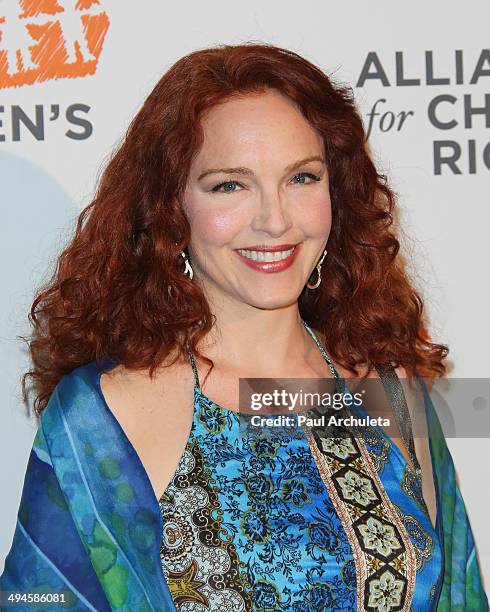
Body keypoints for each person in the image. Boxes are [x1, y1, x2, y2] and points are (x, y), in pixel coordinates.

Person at [0, 43, 488, 612]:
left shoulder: (389, 388)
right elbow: (38, 599)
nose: (275, 220)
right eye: (229, 185)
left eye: (301, 177)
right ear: (170, 208)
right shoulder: (107, 412)